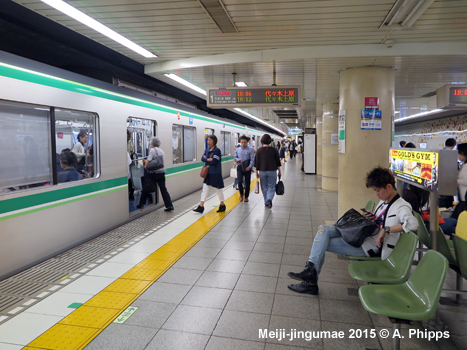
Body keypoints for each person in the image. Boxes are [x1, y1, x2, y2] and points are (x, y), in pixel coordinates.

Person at [287, 166, 418, 295]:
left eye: (378, 190)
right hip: (362, 236)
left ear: (389, 186)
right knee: (323, 229)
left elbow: (412, 224)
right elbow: (380, 221)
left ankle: (310, 280)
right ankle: (310, 270)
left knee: (321, 243)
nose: (377, 194)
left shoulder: (402, 206)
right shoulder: (383, 201)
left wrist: (386, 229)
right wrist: (373, 218)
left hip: (370, 247)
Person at [137, 137, 174, 212]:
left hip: (154, 174)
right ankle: (169, 205)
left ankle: (141, 204)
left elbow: (149, 160)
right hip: (162, 173)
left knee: (146, 187)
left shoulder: (152, 150)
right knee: (163, 190)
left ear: (152, 144)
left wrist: (145, 166)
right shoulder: (162, 151)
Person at [194, 135, 226, 213]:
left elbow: (214, 162)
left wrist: (206, 159)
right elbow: (202, 158)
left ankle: (222, 205)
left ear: (214, 141)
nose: (209, 142)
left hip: (215, 173)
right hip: (208, 173)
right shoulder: (207, 149)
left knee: (218, 189)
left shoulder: (217, 150)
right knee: (205, 189)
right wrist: (208, 159)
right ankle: (201, 206)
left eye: (210, 140)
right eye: (208, 140)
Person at [254, 134, 281, 208]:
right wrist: (279, 171)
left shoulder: (259, 151)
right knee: (272, 186)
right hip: (272, 171)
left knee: (264, 187)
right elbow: (278, 162)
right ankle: (269, 199)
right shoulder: (274, 150)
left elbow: (256, 162)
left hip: (262, 171)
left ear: (262, 141)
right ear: (270, 141)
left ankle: (266, 201)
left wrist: (256, 171)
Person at [234, 135, 255, 202]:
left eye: (245, 142)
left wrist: (250, 167)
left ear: (247, 142)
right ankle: (241, 194)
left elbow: (252, 159)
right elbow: (235, 157)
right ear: (240, 142)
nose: (243, 143)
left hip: (247, 168)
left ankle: (246, 196)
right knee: (239, 181)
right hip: (239, 167)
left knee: (247, 182)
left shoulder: (251, 150)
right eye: (242, 142)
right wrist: (237, 159)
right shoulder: (237, 149)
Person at [451, 143, 467, 219]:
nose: (458, 155)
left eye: (459, 153)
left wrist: (456, 181)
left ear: (463, 153)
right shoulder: (464, 165)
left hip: (464, 199)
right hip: (462, 198)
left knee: (457, 219)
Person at [127, 130, 135, 200]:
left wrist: (129, 155)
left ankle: (131, 193)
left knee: (130, 178)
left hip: (129, 161)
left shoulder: (129, 142)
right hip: (127, 161)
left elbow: (131, 152)